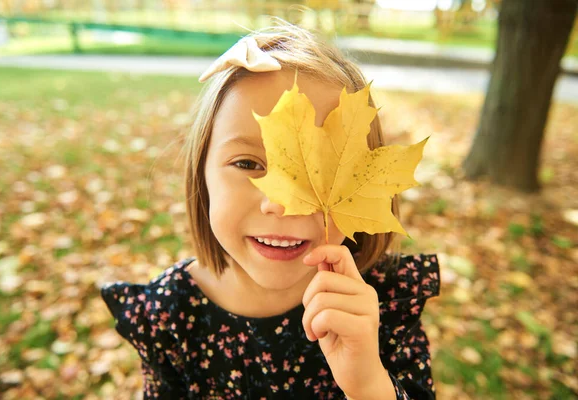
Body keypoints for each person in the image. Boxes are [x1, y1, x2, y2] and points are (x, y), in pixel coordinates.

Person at [101, 21, 440, 400]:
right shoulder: (170, 316)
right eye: (248, 164)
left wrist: (367, 383)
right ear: (202, 172)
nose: (279, 203)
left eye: (318, 174)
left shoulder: (382, 307)